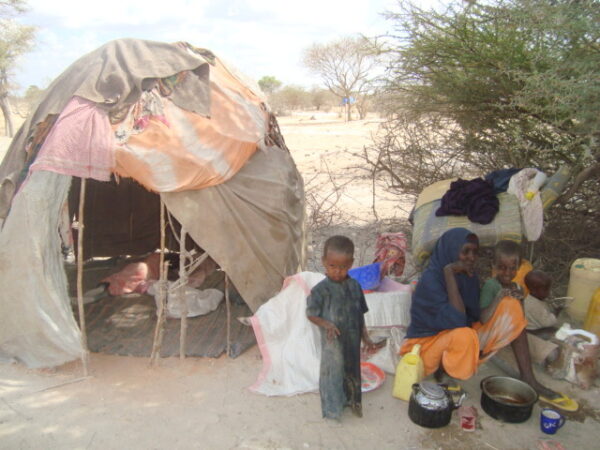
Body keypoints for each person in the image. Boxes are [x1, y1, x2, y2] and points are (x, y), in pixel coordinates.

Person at [399, 228, 559, 400]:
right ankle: (443, 371)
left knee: (511, 305)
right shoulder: (431, 280)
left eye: (475, 252)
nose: (471, 257)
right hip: (425, 348)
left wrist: (508, 303)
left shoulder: (468, 276)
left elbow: (475, 316)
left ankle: (528, 378)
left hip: (457, 332)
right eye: (465, 251)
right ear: (451, 250)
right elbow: (457, 320)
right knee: (464, 336)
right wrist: (449, 273)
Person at [306, 235, 378, 421]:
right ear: (324, 262)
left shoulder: (354, 286)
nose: (337, 271)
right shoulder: (320, 290)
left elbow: (360, 315)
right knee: (332, 375)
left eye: (343, 267)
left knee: (352, 372)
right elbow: (311, 314)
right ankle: (332, 411)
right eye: (332, 266)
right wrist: (327, 324)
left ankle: (352, 403)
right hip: (333, 343)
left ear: (351, 264)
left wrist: (366, 337)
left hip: (352, 341)